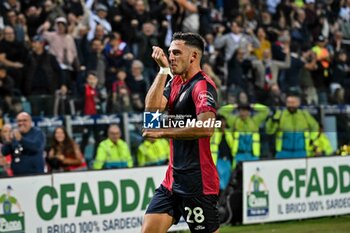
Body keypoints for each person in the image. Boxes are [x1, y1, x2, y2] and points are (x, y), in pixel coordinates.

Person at [142, 32, 220, 233]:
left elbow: (206, 127)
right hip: (172, 181)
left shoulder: (202, 85)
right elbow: (151, 114)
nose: (171, 57)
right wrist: (162, 71)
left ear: (193, 56)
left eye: (176, 53)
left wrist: (163, 132)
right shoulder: (175, 81)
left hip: (197, 183)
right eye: (169, 53)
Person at [265, 93, 319, 158]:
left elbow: (315, 126)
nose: (291, 105)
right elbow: (269, 131)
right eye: (289, 102)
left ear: (298, 103)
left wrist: (312, 139)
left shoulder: (304, 115)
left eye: (293, 102)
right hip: (283, 153)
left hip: (302, 152)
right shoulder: (280, 114)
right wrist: (272, 120)